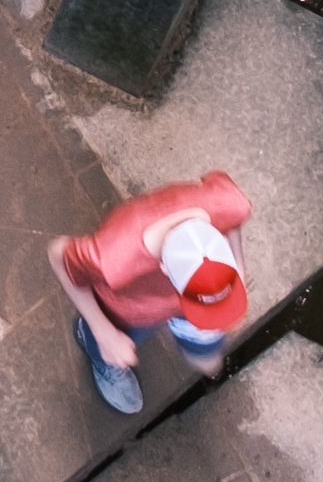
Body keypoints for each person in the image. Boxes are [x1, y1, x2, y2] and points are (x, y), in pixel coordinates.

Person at [52, 172, 250, 419]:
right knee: (109, 342)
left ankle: (186, 321)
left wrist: (238, 267)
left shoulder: (230, 205)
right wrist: (105, 333)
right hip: (128, 309)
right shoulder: (114, 260)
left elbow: (233, 222)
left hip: (179, 301)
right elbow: (58, 254)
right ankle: (93, 345)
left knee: (209, 359)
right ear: (165, 271)